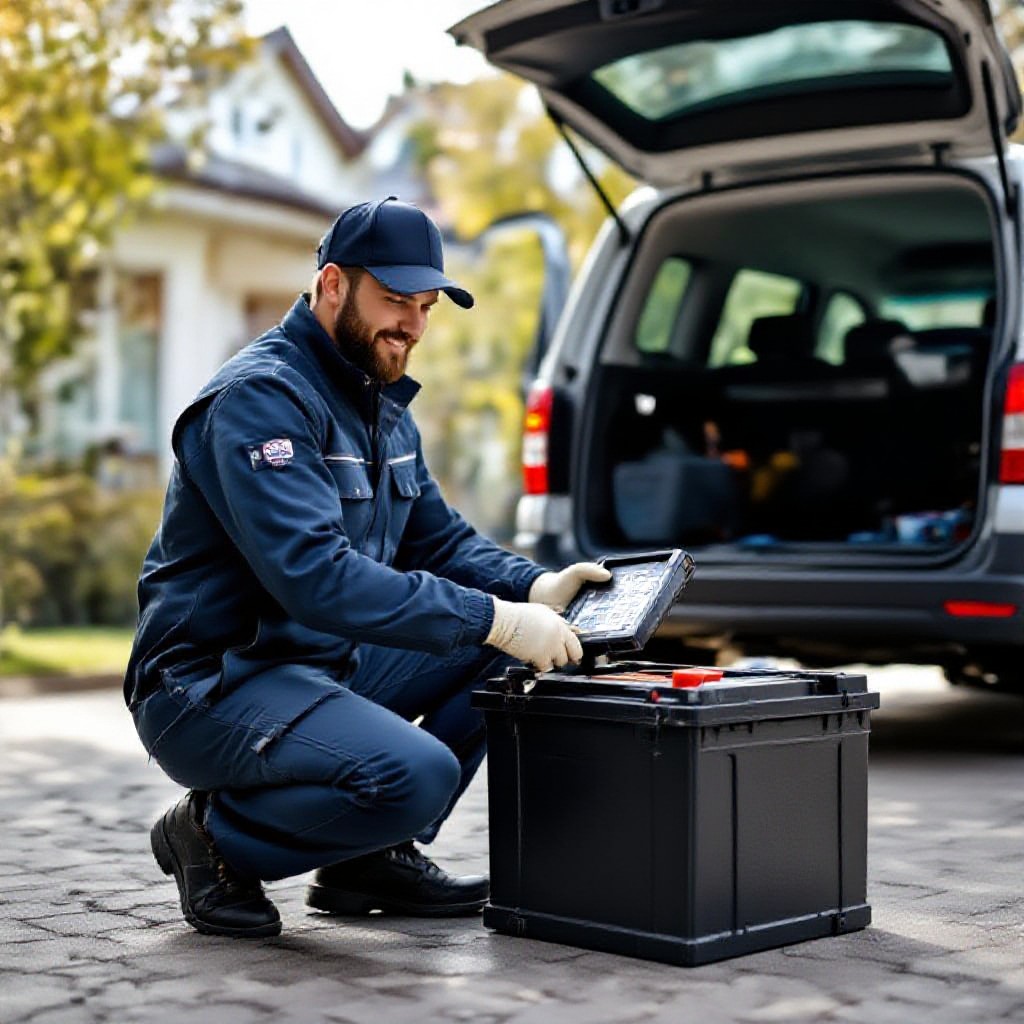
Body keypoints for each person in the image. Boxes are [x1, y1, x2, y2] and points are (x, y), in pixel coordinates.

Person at [124, 196, 610, 938]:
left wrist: (534, 587)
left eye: (425, 307)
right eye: (394, 300)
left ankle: (367, 859)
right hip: (213, 681)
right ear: (332, 285)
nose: (412, 325)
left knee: (502, 661)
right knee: (418, 772)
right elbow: (315, 578)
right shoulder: (260, 400)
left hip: (318, 663)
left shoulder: (378, 404)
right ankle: (210, 839)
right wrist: (497, 618)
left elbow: (439, 543)